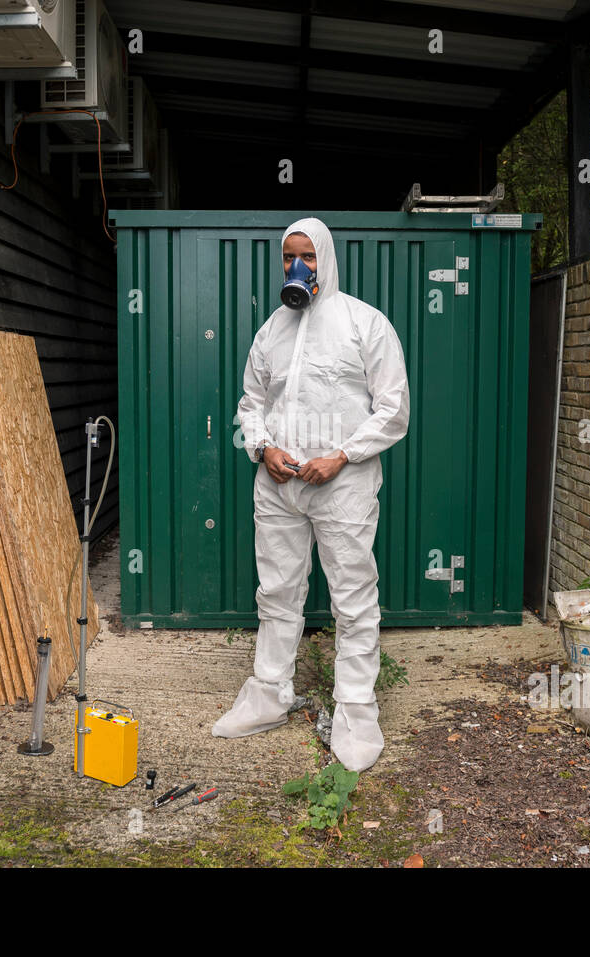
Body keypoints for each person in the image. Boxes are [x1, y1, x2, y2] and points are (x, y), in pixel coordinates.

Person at [212, 217, 410, 772]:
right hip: (278, 485)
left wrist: (342, 455)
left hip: (342, 485)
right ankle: (269, 692)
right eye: (289, 256)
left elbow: (394, 410)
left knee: (352, 596)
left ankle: (355, 709)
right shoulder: (271, 330)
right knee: (275, 591)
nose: (298, 267)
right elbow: (251, 404)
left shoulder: (363, 324)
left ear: (326, 257)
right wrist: (262, 448)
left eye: (309, 256)